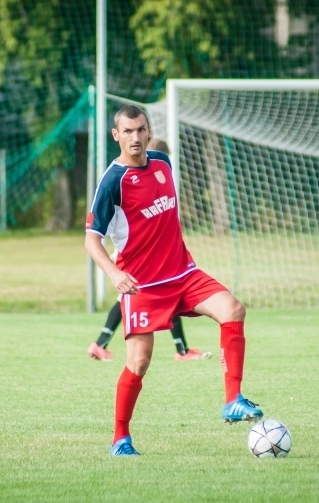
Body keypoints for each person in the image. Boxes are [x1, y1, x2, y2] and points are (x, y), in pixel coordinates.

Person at [85, 105, 263, 456]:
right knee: (138, 361)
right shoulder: (112, 182)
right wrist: (115, 273)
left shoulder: (163, 163)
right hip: (144, 285)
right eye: (128, 131)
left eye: (140, 130)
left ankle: (232, 400)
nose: (135, 137)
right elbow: (92, 238)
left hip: (182, 273)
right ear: (115, 136)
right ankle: (120, 438)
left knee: (232, 309)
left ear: (149, 130)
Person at [87, 138, 212, 363]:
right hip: (133, 253)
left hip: (143, 253)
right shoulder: (120, 178)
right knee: (161, 297)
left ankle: (100, 343)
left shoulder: (157, 171)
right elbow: (94, 235)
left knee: (143, 297)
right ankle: (181, 350)